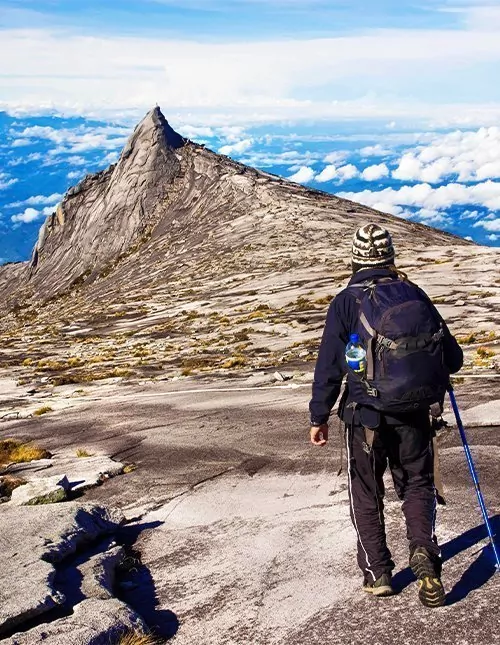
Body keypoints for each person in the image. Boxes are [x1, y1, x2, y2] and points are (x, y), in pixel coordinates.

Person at [309, 223, 463, 608]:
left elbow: (329, 365)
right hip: (415, 414)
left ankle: (378, 573)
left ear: (356, 259)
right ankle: (424, 554)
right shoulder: (414, 293)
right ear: (391, 257)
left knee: (365, 491)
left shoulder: (346, 301)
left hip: (365, 416)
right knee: (417, 483)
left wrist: (319, 416)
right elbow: (454, 358)